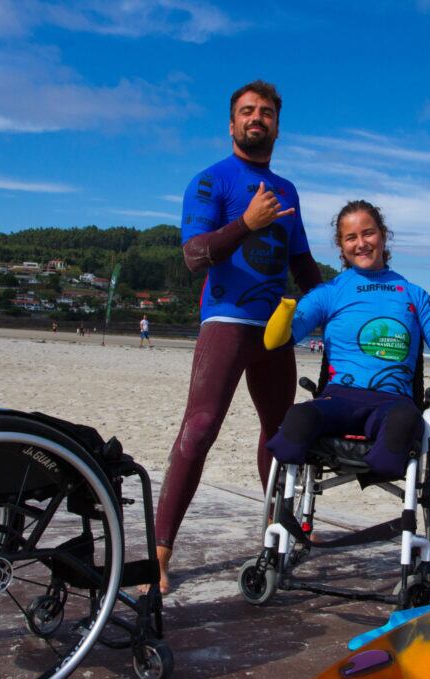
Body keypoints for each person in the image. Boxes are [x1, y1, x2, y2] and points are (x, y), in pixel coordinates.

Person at [152, 80, 322, 593]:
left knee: (278, 434)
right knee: (200, 429)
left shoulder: (287, 191)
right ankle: (159, 554)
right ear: (231, 124)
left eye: (266, 112)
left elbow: (303, 266)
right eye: (247, 111)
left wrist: (346, 306)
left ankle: (274, 537)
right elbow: (193, 255)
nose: (257, 118)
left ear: (276, 125)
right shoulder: (210, 182)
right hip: (225, 321)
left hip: (274, 332)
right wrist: (246, 222)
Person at [264, 200, 430, 477]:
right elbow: (279, 340)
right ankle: (285, 516)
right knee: (299, 416)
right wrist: (285, 308)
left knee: (405, 420)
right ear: (341, 245)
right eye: (351, 237)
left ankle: (381, 477)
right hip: (338, 398)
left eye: (368, 233)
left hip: (394, 402)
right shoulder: (329, 292)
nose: (361, 243)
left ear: (382, 234)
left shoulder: (414, 293)